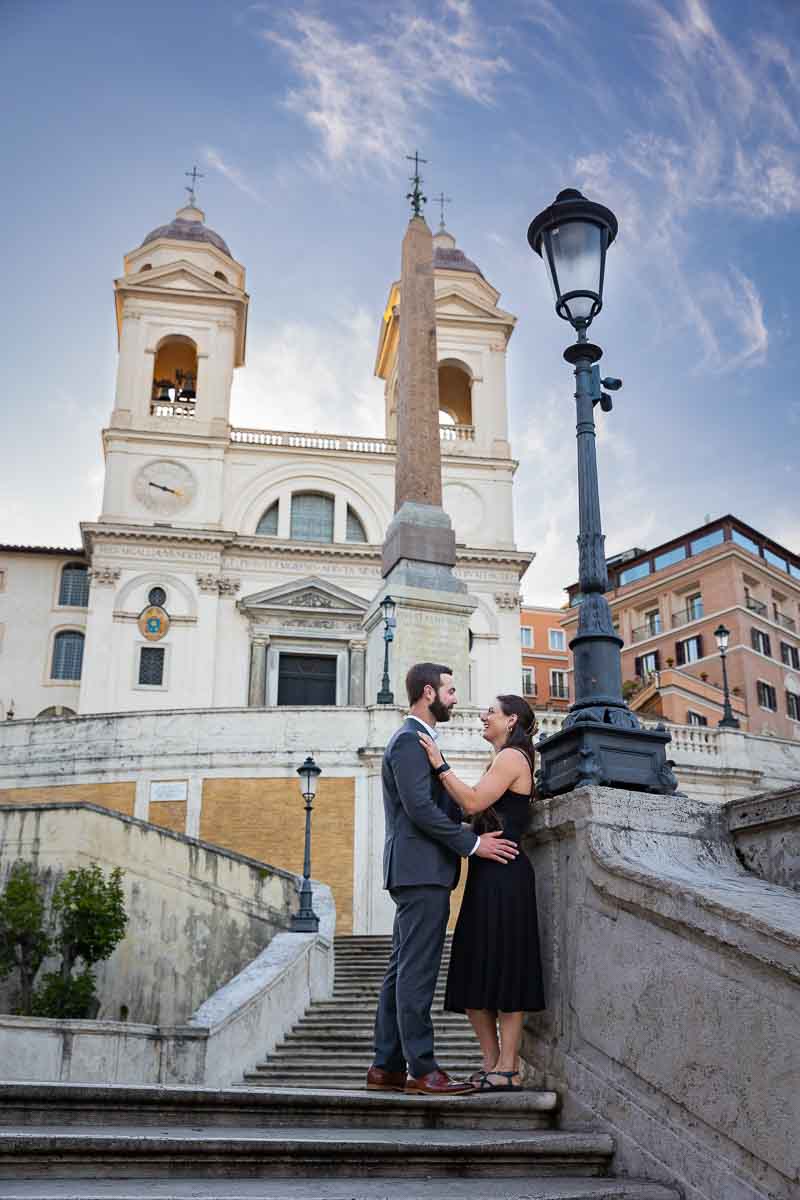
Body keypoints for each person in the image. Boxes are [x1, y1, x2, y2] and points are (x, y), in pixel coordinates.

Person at [367, 663, 520, 1096]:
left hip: (417, 870)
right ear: (429, 692)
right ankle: (422, 1069)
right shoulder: (410, 742)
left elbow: (436, 807)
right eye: (451, 691)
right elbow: (419, 808)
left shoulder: (419, 741)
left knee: (401, 969)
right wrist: (471, 846)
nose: (456, 699)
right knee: (417, 971)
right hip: (422, 872)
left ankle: (386, 1066)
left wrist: (470, 829)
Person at [417, 694, 545, 1092]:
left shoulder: (512, 758)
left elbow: (472, 801)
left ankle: (508, 1067)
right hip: (487, 871)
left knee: (506, 970)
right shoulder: (501, 760)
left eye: (491, 711)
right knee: (474, 971)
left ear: (511, 721)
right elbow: (475, 814)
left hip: (506, 875)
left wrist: (439, 764)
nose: (482, 715)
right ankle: (492, 1065)